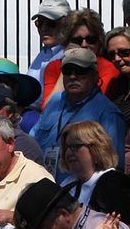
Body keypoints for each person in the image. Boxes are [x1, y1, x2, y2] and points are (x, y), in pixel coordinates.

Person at [36, 48, 126, 182]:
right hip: (45, 186)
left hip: (80, 194)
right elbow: (34, 139)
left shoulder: (108, 114)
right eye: (67, 72)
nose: (73, 76)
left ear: (95, 75)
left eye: (80, 71)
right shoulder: (55, 101)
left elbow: (113, 167)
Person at [39, 10, 120, 108]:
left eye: (91, 40)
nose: (84, 45)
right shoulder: (54, 67)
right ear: (67, 42)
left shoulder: (108, 68)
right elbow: (48, 108)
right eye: (77, 40)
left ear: (99, 41)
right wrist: (67, 66)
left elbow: (96, 106)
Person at [59, 120, 121, 206]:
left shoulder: (114, 184)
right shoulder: (68, 183)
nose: (68, 153)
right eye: (66, 147)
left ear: (96, 148)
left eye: (75, 146)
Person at [29, 0, 73, 90]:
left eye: (50, 23)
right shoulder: (44, 53)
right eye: (40, 23)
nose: (44, 28)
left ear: (66, 24)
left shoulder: (69, 55)